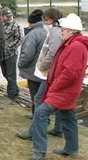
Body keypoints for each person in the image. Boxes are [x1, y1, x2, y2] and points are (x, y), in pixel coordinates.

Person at [30, 13, 88, 160]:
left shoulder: (76, 46)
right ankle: (71, 149)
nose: (61, 31)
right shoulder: (73, 43)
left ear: (71, 30)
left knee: (40, 113)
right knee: (68, 118)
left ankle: (38, 152)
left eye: (63, 29)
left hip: (64, 91)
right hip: (66, 90)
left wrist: (54, 87)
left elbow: (70, 73)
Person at [17, 8, 63, 141]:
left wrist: (42, 66)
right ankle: (58, 129)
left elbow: (52, 52)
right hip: (53, 72)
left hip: (48, 73)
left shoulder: (54, 32)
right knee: (60, 102)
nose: (45, 22)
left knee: (38, 99)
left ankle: (34, 131)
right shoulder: (54, 31)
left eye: (46, 19)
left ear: (52, 20)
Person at [18, 9, 47, 117]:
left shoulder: (33, 34)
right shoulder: (45, 32)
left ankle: (38, 116)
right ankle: (38, 115)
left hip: (33, 71)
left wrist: (20, 64)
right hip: (42, 70)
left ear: (30, 22)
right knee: (42, 96)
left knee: (35, 96)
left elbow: (27, 54)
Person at [1, 7, 23, 103]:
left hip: (11, 55)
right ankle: (16, 90)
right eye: (7, 16)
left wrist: (9, 47)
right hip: (2, 55)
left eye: (10, 16)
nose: (9, 17)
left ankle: (12, 95)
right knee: (5, 74)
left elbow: (19, 39)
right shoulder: (1, 25)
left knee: (11, 75)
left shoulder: (16, 26)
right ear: (2, 16)